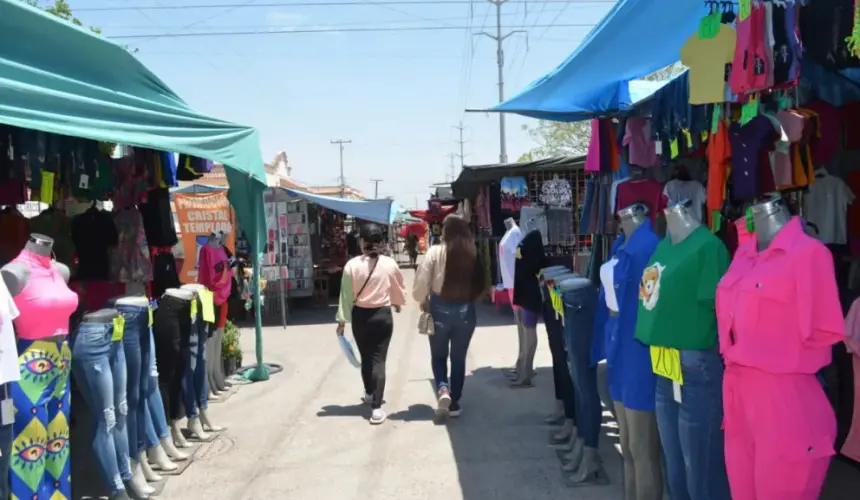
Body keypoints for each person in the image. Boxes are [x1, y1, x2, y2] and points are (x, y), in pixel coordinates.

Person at [413, 215, 485, 418]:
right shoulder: (472, 253)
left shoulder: (435, 252)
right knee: (459, 357)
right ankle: (454, 402)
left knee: (438, 356)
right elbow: (481, 283)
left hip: (439, 310)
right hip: (465, 311)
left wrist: (422, 299)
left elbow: (420, 285)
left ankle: (443, 389)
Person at [336, 223, 406, 425]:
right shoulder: (389, 264)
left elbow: (345, 297)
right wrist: (397, 303)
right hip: (383, 316)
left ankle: (368, 393)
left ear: (362, 242)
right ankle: (376, 407)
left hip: (360, 317)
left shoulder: (351, 265)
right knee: (379, 360)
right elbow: (398, 287)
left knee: (366, 357)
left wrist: (341, 321)